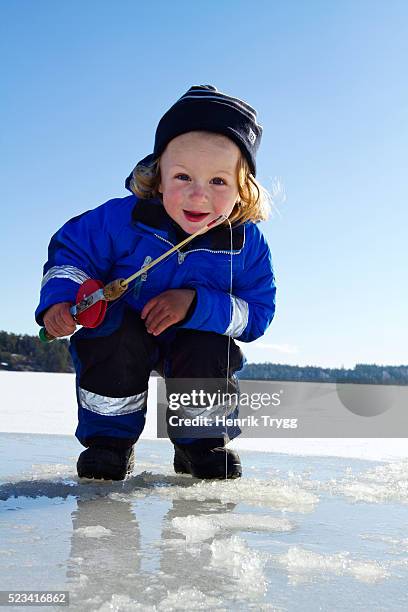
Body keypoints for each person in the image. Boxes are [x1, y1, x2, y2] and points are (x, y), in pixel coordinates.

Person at [35, 84, 277, 481]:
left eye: (218, 181)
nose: (198, 195)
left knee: (206, 345)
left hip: (193, 340)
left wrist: (195, 304)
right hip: (124, 333)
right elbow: (72, 255)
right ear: (158, 176)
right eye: (183, 176)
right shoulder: (120, 219)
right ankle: (109, 445)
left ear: (242, 189)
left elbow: (257, 313)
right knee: (114, 341)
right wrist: (62, 301)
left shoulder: (246, 244)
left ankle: (201, 446)